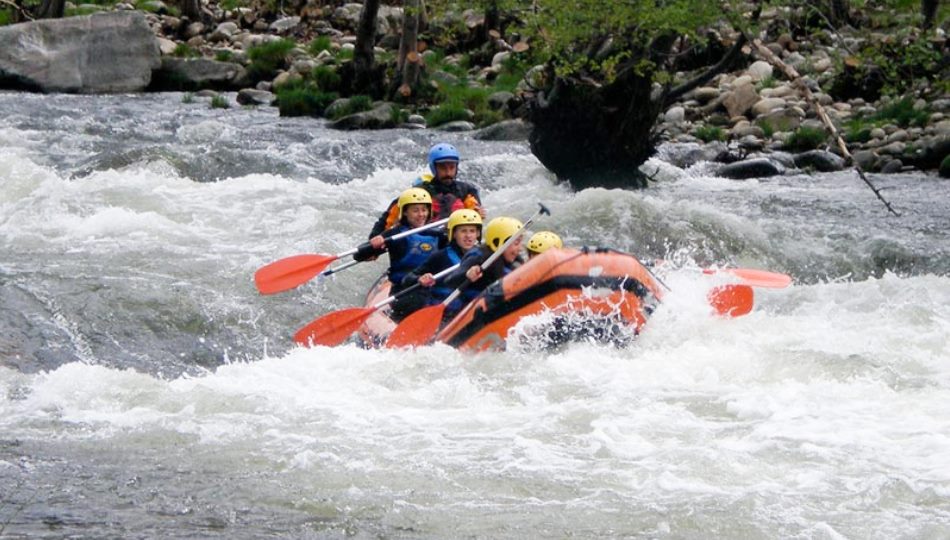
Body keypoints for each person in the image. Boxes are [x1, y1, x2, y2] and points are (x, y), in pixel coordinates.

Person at [354, 188, 445, 318]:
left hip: (431, 288)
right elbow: (358, 256)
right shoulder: (395, 234)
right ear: (405, 212)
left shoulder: (438, 234)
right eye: (415, 210)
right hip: (404, 291)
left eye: (424, 210)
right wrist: (372, 245)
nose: (421, 214)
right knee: (418, 300)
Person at [368, 142, 486, 238]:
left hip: (454, 240)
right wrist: (374, 242)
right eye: (443, 168)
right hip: (427, 240)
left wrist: (477, 213)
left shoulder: (467, 190)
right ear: (434, 168)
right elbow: (389, 218)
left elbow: (475, 217)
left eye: (451, 167)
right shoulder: (419, 192)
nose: (448, 172)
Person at [400, 208, 483, 319]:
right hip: (442, 313)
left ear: (478, 234)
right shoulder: (440, 256)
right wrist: (419, 279)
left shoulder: (483, 256)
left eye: (472, 231)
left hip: (468, 313)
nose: (468, 236)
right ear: (453, 234)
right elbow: (407, 279)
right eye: (463, 231)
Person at [443, 216, 525, 297]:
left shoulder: (516, 259)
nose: (520, 248)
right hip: (472, 305)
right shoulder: (479, 257)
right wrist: (467, 275)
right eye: (516, 243)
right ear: (497, 243)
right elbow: (449, 281)